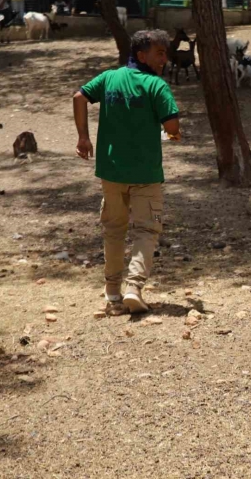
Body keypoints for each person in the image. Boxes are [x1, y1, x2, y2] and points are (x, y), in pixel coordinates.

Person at [73, 30, 180, 315]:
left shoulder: (109, 78)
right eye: (159, 53)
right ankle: (134, 287)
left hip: (111, 172)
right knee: (146, 230)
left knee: (113, 230)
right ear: (141, 55)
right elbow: (172, 129)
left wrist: (83, 137)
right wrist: (168, 132)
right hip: (146, 174)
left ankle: (112, 292)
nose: (164, 59)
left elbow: (79, 97)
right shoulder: (156, 86)